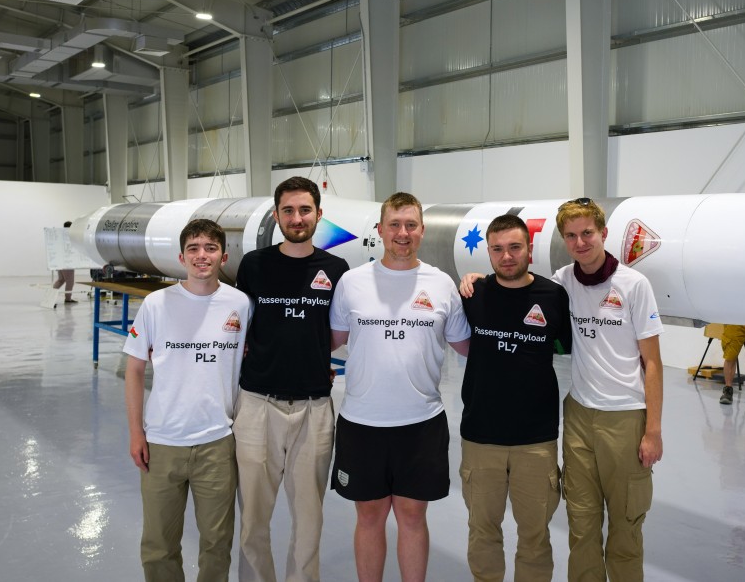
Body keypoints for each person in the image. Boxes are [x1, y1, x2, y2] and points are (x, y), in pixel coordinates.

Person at [328, 192, 471, 582]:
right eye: (394, 224)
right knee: (369, 516)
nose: (402, 233)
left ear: (422, 230)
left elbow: (468, 345)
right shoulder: (352, 282)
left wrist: (490, 293)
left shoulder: (441, 284)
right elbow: (329, 341)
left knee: (412, 516)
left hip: (421, 423)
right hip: (362, 422)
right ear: (380, 230)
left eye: (410, 225)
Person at [123, 218, 251, 582]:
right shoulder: (156, 304)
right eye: (193, 248)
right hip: (163, 442)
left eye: (210, 248)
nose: (201, 256)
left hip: (217, 442)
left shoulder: (239, 304)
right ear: (181, 257)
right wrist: (136, 433)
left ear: (223, 256)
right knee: (159, 545)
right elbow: (134, 370)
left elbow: (258, 357)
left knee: (217, 543)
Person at [234, 177, 349, 582]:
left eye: (304, 210)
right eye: (288, 210)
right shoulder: (254, 265)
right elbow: (241, 324)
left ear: (319, 214)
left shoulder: (336, 270)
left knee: (309, 520)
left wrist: (311, 355)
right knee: (253, 519)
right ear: (276, 215)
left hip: (314, 408)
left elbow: (336, 332)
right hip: (257, 405)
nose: (297, 218)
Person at [552, 198, 663, 582]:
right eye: (571, 236)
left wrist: (652, 430)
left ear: (603, 233)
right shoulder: (563, 281)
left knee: (625, 526)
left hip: (625, 418)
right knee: (580, 523)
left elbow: (653, 363)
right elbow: (521, 290)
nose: (580, 242)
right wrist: (476, 279)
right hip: (579, 416)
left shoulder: (634, 285)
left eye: (587, 233)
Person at [458, 215, 572, 582]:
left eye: (514, 247)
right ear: (488, 252)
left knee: (535, 537)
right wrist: (469, 279)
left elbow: (570, 345)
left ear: (529, 249)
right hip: (481, 437)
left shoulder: (553, 296)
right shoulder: (473, 294)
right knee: (482, 532)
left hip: (535, 440)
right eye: (497, 249)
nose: (506, 256)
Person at [53, 221, 78, 304]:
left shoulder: (60, 236)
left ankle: (50, 297)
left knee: (61, 280)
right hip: (67, 262)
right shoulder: (69, 237)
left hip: (60, 261)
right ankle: (68, 299)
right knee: (70, 281)